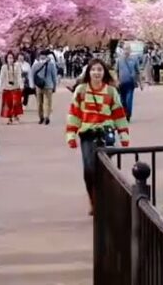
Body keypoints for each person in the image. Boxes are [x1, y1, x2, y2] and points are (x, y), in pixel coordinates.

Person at [65, 58, 130, 215]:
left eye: (100, 70)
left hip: (106, 133)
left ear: (104, 72)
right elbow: (74, 113)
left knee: (105, 169)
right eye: (93, 69)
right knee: (89, 169)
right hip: (87, 134)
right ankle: (93, 199)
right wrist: (71, 134)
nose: (96, 73)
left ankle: (104, 199)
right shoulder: (81, 90)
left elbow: (119, 114)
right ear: (88, 72)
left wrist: (123, 134)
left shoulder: (111, 91)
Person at [31, 49, 59, 125]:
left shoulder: (36, 64)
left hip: (38, 85)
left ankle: (41, 117)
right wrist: (55, 86)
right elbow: (54, 76)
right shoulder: (51, 63)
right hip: (49, 85)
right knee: (48, 103)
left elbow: (32, 74)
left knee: (39, 103)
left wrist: (33, 85)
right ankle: (47, 117)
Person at [116, 45, 143, 121]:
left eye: (128, 49)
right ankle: (124, 113)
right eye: (125, 49)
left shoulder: (134, 60)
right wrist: (117, 81)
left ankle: (128, 114)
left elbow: (138, 72)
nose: (126, 51)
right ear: (123, 50)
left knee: (129, 99)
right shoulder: (119, 60)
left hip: (130, 83)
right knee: (122, 100)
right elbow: (116, 71)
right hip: (121, 83)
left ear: (130, 51)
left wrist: (141, 83)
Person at [0, 51, 25, 124]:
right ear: (6, 59)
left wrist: (21, 85)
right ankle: (10, 118)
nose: (10, 59)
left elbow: (19, 77)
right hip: (7, 88)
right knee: (8, 104)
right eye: (9, 58)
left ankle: (15, 115)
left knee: (15, 103)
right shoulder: (3, 67)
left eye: (11, 58)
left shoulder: (17, 66)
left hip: (15, 87)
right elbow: (1, 78)